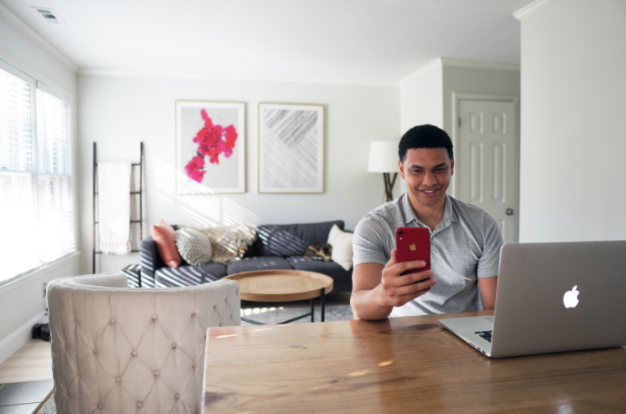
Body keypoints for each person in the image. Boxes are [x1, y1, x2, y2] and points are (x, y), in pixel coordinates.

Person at [351, 124, 503, 320]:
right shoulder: (375, 226)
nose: (429, 181)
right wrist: (383, 295)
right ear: (402, 169)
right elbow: (360, 307)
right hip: (398, 337)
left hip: (462, 338)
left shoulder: (483, 224)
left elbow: (493, 309)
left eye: (439, 169)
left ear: (452, 166)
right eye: (417, 171)